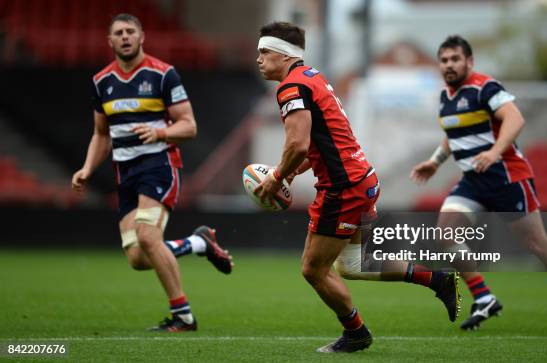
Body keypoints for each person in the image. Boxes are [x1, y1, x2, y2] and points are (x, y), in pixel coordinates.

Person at [254, 21, 461, 353]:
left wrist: (277, 177)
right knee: (353, 265)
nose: (259, 59)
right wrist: (292, 173)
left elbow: (297, 144)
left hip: (343, 187)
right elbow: (322, 143)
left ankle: (356, 334)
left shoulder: (291, 88)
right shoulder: (313, 77)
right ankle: (436, 279)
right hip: (361, 178)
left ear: (284, 54)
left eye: (264, 52)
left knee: (312, 268)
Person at [410, 35, 547, 331]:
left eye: (455, 59)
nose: (449, 65)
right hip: (472, 180)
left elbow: (515, 118)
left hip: (507, 177)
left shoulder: (485, 87)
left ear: (469, 61)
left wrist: (495, 152)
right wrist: (435, 161)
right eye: (444, 60)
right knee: (446, 232)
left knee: (537, 243)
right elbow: (453, 135)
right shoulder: (447, 97)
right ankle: (483, 298)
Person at [71, 13, 233, 332]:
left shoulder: (163, 75)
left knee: (148, 237)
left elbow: (189, 125)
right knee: (137, 257)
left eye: (131, 31)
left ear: (142, 36)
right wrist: (87, 168)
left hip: (158, 166)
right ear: (110, 41)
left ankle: (183, 316)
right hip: (125, 173)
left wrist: (160, 133)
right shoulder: (101, 81)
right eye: (118, 32)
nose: (125, 36)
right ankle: (199, 244)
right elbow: (101, 134)